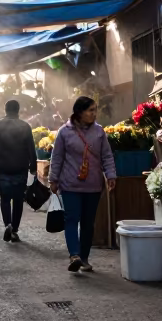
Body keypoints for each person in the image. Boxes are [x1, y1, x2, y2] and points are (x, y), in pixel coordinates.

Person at [49, 96, 116, 272]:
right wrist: (53, 179)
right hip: (70, 185)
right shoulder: (64, 132)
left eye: (95, 110)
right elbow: (57, 158)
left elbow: (107, 156)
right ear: (79, 112)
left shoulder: (99, 132)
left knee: (88, 223)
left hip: (93, 186)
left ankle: (84, 258)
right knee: (71, 219)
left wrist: (111, 176)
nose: (94, 114)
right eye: (90, 110)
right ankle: (74, 255)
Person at [0, 100, 36, 243]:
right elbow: (31, 148)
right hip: (20, 169)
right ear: (18, 110)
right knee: (18, 200)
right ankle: (15, 230)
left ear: (5, 110)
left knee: (5, 199)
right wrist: (34, 166)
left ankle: (8, 224)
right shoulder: (25, 127)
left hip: (3, 169)